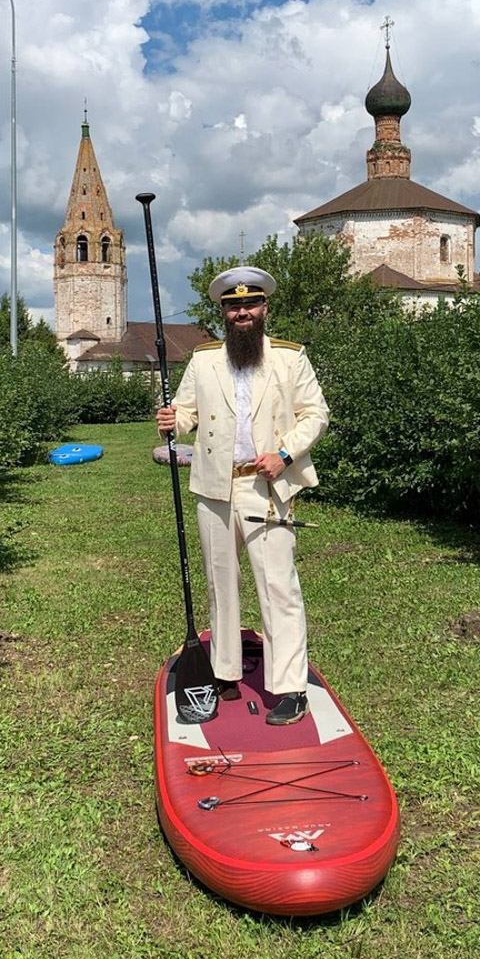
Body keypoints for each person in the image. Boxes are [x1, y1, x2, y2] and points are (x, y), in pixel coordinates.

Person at [156, 266, 329, 725]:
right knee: (220, 582)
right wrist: (176, 420)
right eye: (233, 306)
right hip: (214, 485)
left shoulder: (290, 359)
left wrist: (286, 453)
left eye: (250, 304)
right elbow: (190, 411)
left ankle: (290, 686)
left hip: (266, 485)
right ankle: (226, 672)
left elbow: (316, 414)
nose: (242, 312)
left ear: (264, 309)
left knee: (278, 586)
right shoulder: (204, 359)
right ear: (224, 313)